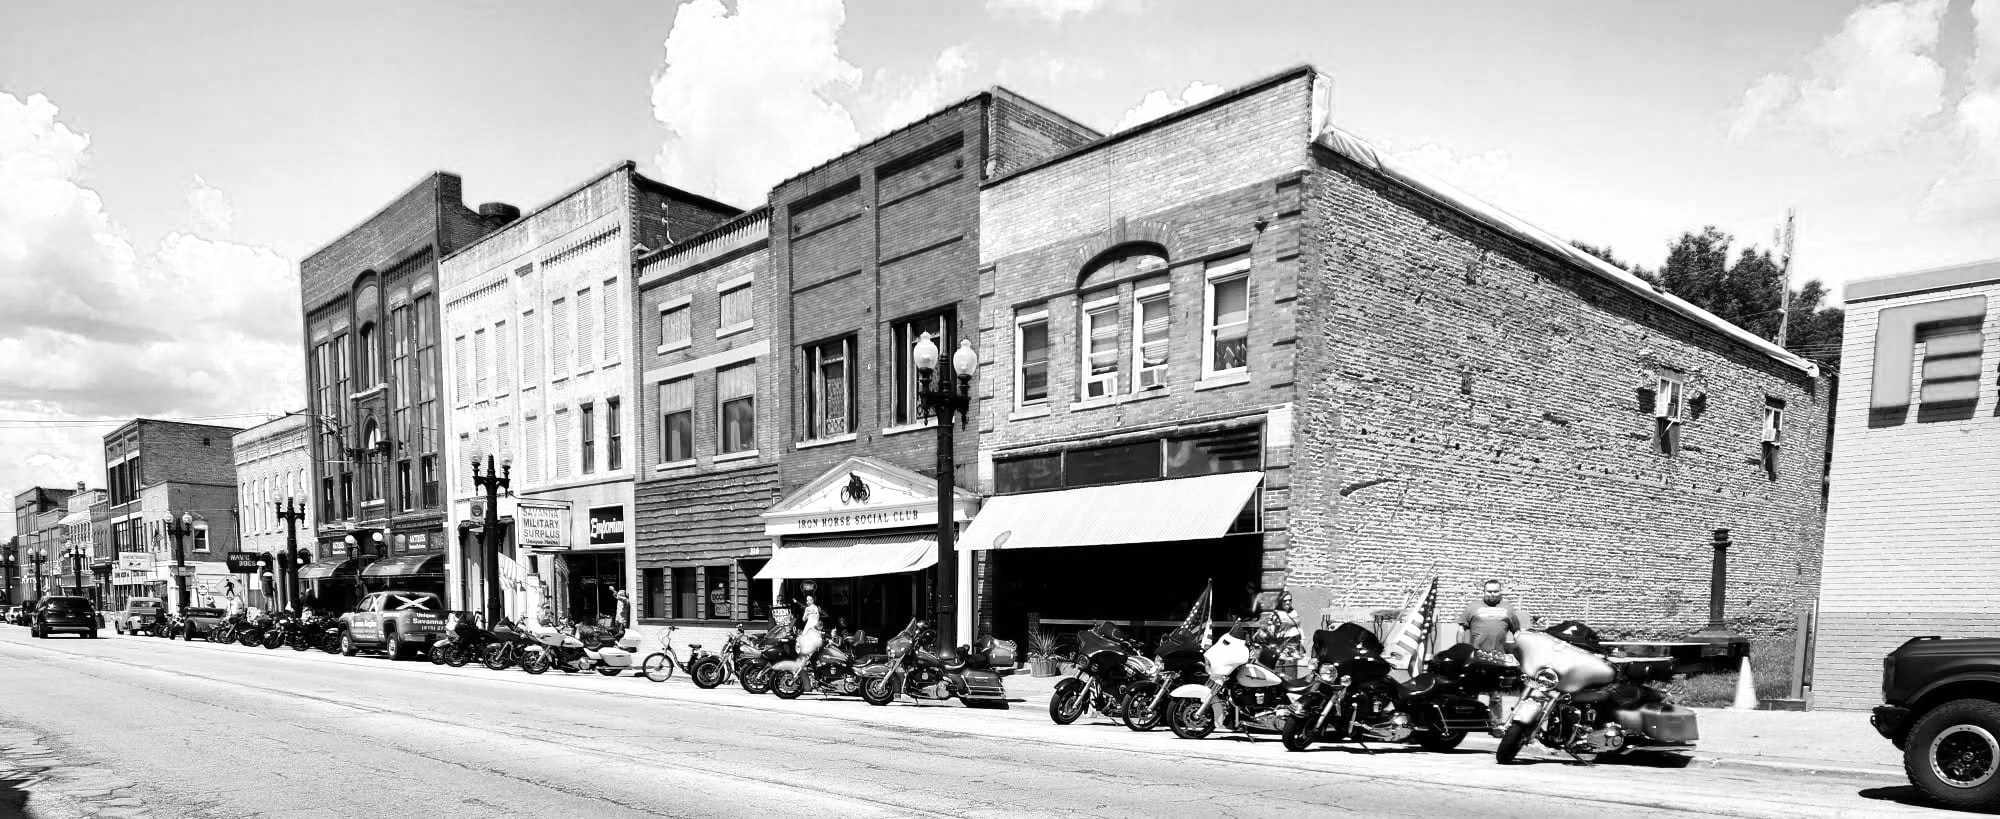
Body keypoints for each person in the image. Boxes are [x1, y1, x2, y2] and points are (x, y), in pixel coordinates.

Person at [1459, 579, 1526, 733]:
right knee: (1471, 692)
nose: (1492, 594)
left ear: (1501, 592)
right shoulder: (1472, 607)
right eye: (1489, 591)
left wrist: (1522, 648)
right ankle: (1467, 723)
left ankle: (1495, 725)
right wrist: (1461, 649)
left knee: (1495, 694)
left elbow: (1517, 632)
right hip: (1475, 657)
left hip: (1497, 658)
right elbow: (1461, 628)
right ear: (1483, 591)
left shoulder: (1508, 609)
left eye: (1495, 591)